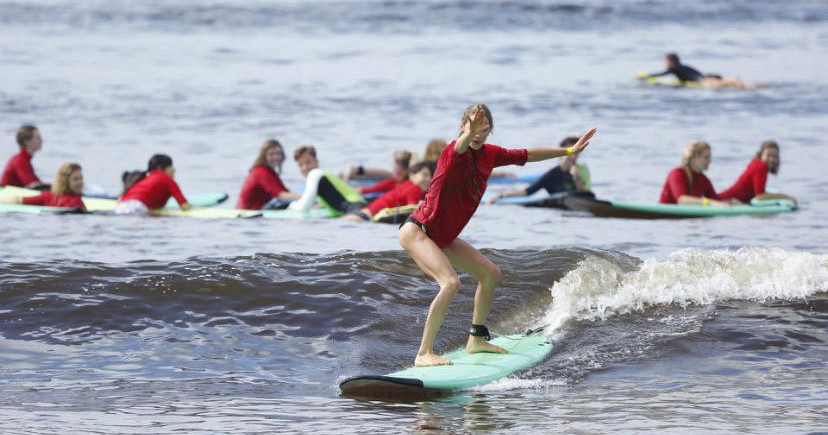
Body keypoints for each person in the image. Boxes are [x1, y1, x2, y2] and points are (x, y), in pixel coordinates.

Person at [398, 103, 596, 367]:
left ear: (490, 130)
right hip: (419, 230)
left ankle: (476, 339)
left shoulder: (490, 154)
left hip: (442, 237)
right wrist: (469, 133)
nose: (478, 134)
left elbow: (527, 154)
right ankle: (424, 353)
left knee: (490, 274)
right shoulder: (451, 152)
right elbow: (462, 144)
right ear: (462, 127)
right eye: (472, 127)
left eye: (484, 129)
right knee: (451, 283)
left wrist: (569, 151)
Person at [487, 134, 591, 203]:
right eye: (570, 154)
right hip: (561, 207)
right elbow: (527, 192)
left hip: (578, 204)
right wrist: (501, 195)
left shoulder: (580, 170)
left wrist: (576, 177)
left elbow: (587, 195)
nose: (572, 157)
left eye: (576, 154)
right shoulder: (552, 174)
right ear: (561, 153)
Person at [288, 146, 367, 215]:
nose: (305, 167)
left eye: (308, 162)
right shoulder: (324, 175)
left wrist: (291, 205)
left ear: (316, 161)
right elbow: (337, 197)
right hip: (360, 207)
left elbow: (304, 207)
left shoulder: (314, 173)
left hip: (355, 209)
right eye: (300, 165)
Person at [341, 162, 433, 222]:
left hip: (364, 212)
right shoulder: (415, 189)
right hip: (366, 216)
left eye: (430, 176)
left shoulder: (404, 184)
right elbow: (411, 209)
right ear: (412, 175)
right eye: (424, 175)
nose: (428, 179)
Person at [659, 140, 738, 206]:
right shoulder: (677, 174)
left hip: (684, 218)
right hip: (664, 217)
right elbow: (682, 200)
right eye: (706, 157)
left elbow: (715, 200)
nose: (710, 161)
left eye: (710, 157)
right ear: (694, 158)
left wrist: (731, 201)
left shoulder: (703, 179)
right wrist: (709, 202)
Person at [719, 140, 797, 205]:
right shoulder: (761, 167)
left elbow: (758, 193)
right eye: (768, 155)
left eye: (775, 156)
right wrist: (785, 196)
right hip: (726, 200)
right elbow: (760, 196)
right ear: (761, 155)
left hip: (727, 198)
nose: (771, 159)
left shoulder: (756, 163)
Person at [115, 154, 191, 214]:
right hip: (137, 208)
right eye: (170, 166)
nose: (174, 169)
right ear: (160, 168)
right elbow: (184, 206)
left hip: (121, 206)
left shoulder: (144, 178)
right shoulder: (167, 180)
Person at [237, 139, 302, 210]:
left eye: (278, 153)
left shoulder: (271, 172)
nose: (275, 157)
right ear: (264, 156)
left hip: (257, 209)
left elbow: (285, 192)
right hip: (247, 212)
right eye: (271, 154)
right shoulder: (261, 172)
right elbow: (281, 195)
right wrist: (305, 197)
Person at [644, 53, 764, 89]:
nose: (665, 64)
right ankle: (753, 85)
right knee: (731, 85)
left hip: (702, 81)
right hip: (706, 76)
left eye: (666, 61)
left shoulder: (674, 68)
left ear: (670, 61)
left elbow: (661, 74)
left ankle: (734, 80)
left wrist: (646, 76)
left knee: (724, 85)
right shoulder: (683, 66)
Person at [0, 162, 85, 209]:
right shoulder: (76, 202)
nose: (80, 182)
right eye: (76, 179)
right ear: (65, 182)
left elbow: (17, 200)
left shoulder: (47, 196)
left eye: (81, 178)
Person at [345, 150, 413, 197]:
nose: (391, 165)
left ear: (399, 165)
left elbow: (368, 190)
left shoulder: (392, 180)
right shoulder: (411, 179)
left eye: (393, 163)